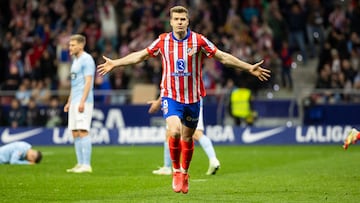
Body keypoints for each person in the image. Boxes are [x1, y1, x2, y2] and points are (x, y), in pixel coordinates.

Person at [97, 6, 271, 194]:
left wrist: (248, 67)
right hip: (171, 96)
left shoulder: (199, 41)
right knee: (174, 131)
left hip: (194, 99)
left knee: (188, 137)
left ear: (188, 21)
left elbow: (222, 57)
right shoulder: (163, 41)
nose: (180, 22)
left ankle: (185, 173)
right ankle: (176, 171)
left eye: (183, 19)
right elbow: (140, 55)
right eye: (176, 19)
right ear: (171, 22)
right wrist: (116, 62)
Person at [148, 97, 220, 176]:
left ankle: (168, 168)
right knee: (194, 133)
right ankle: (213, 159)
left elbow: (167, 86)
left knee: (175, 132)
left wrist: (158, 103)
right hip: (195, 99)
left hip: (177, 101)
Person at [64, 34, 95, 173]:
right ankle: (80, 163)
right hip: (75, 101)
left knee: (83, 130)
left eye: (73, 45)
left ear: (81, 45)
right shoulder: (75, 60)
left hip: (84, 101)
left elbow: (88, 81)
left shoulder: (87, 59)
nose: (70, 47)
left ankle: (87, 165)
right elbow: (74, 84)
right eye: (70, 45)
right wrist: (69, 101)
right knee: (75, 132)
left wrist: (82, 101)